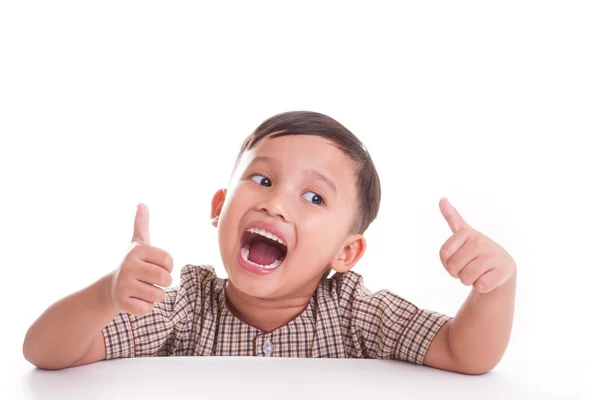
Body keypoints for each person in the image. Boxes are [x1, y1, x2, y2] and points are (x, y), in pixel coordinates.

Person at [23, 111, 516, 374]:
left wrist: (496, 285)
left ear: (346, 252)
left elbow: (464, 354)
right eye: (261, 180)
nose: (276, 204)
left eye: (313, 196)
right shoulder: (188, 309)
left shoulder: (354, 314)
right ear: (219, 207)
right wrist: (107, 294)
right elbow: (44, 351)